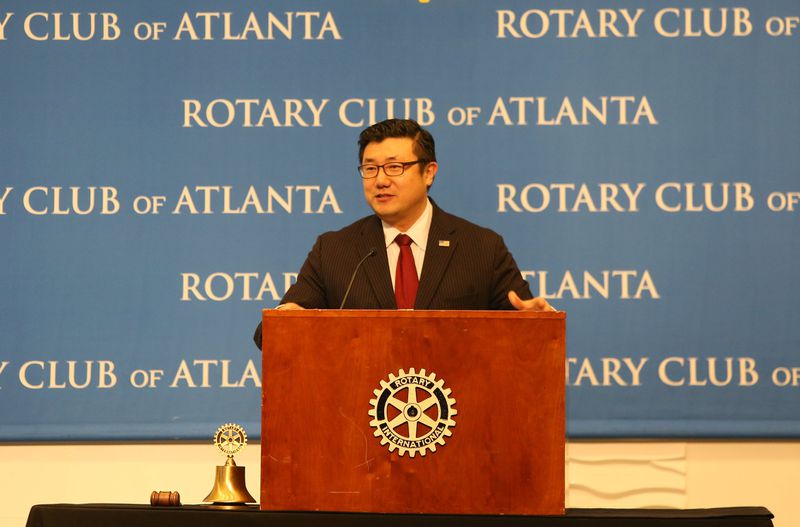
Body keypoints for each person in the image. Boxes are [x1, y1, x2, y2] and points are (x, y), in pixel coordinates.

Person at [254, 119, 554, 349]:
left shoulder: (481, 247)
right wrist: (285, 318)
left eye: (394, 167)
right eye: (370, 169)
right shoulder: (335, 250)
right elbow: (268, 337)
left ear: (429, 172)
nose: (380, 180)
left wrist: (538, 322)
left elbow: (524, 335)